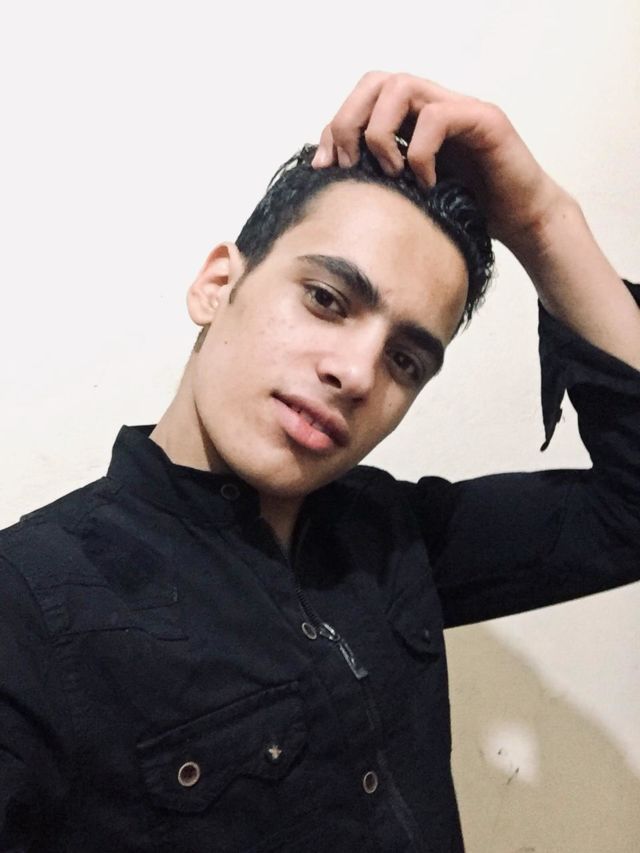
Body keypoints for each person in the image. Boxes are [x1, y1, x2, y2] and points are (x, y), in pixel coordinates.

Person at [0, 71, 638, 853]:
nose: (358, 373)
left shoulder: (393, 538)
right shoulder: (27, 607)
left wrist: (543, 219)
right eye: (328, 300)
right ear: (217, 284)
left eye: (405, 359)